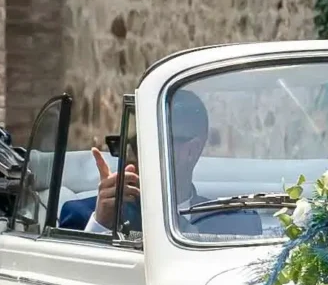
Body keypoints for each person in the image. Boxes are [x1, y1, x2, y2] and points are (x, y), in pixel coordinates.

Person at [57, 88, 263, 237]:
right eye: (136, 144)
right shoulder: (81, 215)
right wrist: (101, 223)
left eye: (156, 141)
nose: (138, 154)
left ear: (192, 150)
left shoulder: (237, 224)